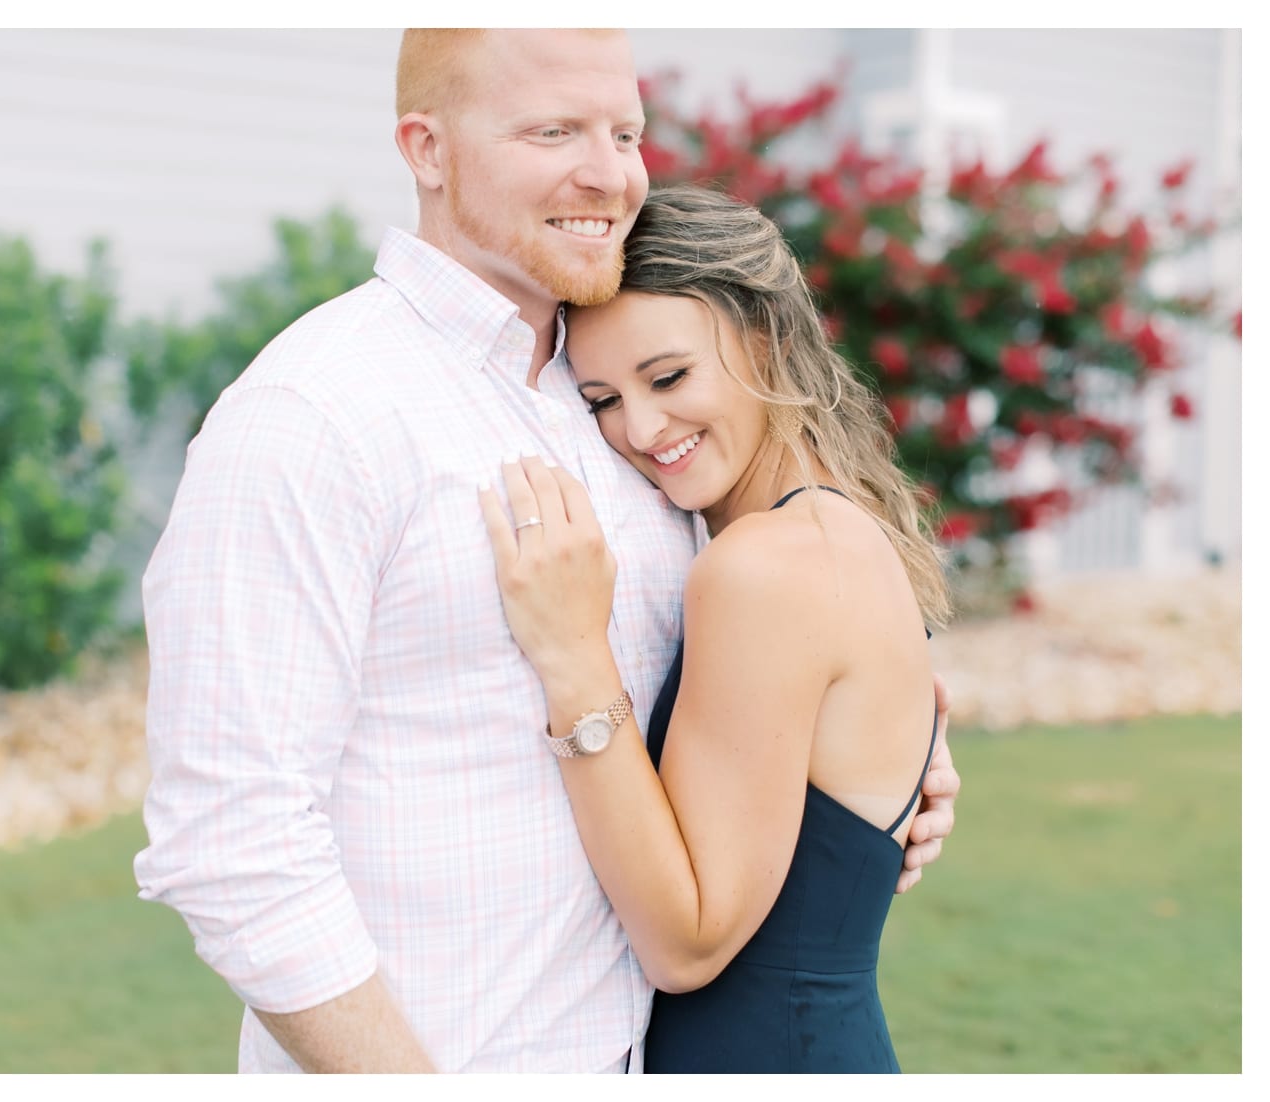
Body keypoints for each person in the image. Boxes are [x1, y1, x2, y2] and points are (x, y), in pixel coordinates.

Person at [134, 29, 958, 1074]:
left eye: (625, 131)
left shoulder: (606, 403)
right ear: (427, 149)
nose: (607, 171)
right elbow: (233, 844)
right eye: (553, 130)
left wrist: (871, 771)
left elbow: (748, 668)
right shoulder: (313, 418)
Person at [478, 183, 954, 1072]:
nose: (642, 429)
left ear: (766, 336)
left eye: (668, 377)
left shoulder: (760, 567)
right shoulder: (834, 529)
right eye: (601, 400)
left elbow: (687, 945)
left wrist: (575, 659)